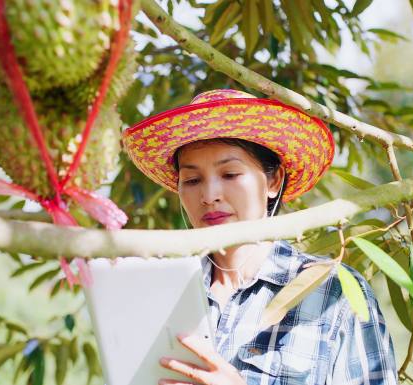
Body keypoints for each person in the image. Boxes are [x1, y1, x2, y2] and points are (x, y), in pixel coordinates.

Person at [122, 89, 398, 385]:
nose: (209, 196)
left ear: (273, 181)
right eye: (191, 180)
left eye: (230, 174)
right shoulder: (164, 293)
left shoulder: (332, 292)